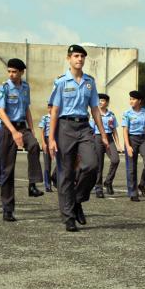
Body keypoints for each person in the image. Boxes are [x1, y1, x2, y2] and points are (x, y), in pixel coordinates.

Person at [48, 44, 108, 232]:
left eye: (82, 56)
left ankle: (77, 199)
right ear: (69, 59)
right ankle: (69, 217)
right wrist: (51, 138)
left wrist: (103, 134)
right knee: (66, 173)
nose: (79, 59)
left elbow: (95, 110)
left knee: (92, 165)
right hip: (65, 127)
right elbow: (54, 110)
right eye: (76, 56)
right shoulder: (61, 82)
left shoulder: (90, 82)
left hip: (83, 126)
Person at [0, 58, 44, 221]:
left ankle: (32, 184)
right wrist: (14, 132)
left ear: (22, 72)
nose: (11, 74)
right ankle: (7, 209)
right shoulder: (4, 87)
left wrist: (31, 129)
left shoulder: (25, 87)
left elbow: (27, 108)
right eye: (9, 71)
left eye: (14, 72)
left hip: (23, 126)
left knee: (35, 146)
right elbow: (0, 111)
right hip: (8, 129)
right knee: (7, 170)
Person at [121, 90, 145, 202]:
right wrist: (128, 146)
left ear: (139, 101)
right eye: (130, 99)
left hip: (143, 139)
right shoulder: (127, 114)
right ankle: (133, 193)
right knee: (131, 168)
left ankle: (142, 183)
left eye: (133, 99)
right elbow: (125, 130)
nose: (131, 101)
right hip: (131, 139)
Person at [92, 94, 120, 198]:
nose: (100, 102)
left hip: (109, 139)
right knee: (99, 165)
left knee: (115, 160)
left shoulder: (111, 115)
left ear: (107, 103)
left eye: (103, 101)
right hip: (98, 138)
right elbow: (91, 130)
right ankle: (98, 187)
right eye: (99, 100)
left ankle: (108, 181)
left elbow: (114, 130)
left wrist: (118, 144)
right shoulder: (95, 114)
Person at [38, 108, 55, 192]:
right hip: (47, 139)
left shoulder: (57, 117)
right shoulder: (45, 118)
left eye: (51, 107)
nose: (50, 109)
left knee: (62, 163)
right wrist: (43, 143)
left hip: (56, 140)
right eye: (48, 107)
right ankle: (48, 185)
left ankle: (55, 177)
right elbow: (42, 131)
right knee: (47, 165)